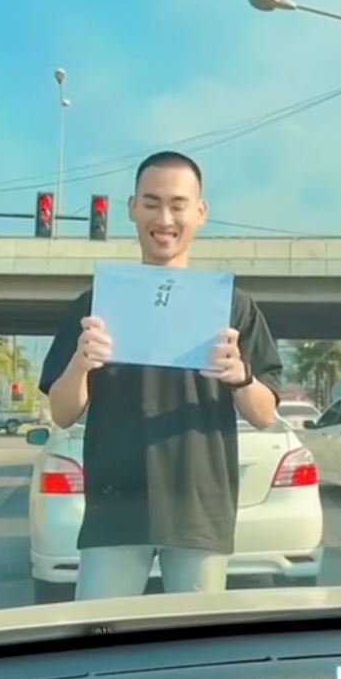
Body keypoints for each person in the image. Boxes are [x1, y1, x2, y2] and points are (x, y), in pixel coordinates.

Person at [39, 151, 283, 600]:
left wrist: (241, 377)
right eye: (151, 203)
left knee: (192, 653)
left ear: (201, 213)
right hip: (115, 510)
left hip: (198, 511)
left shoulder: (233, 306)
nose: (164, 218)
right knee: (100, 642)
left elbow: (266, 414)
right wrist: (80, 362)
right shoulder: (96, 304)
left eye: (178, 204)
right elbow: (62, 412)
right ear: (132, 208)